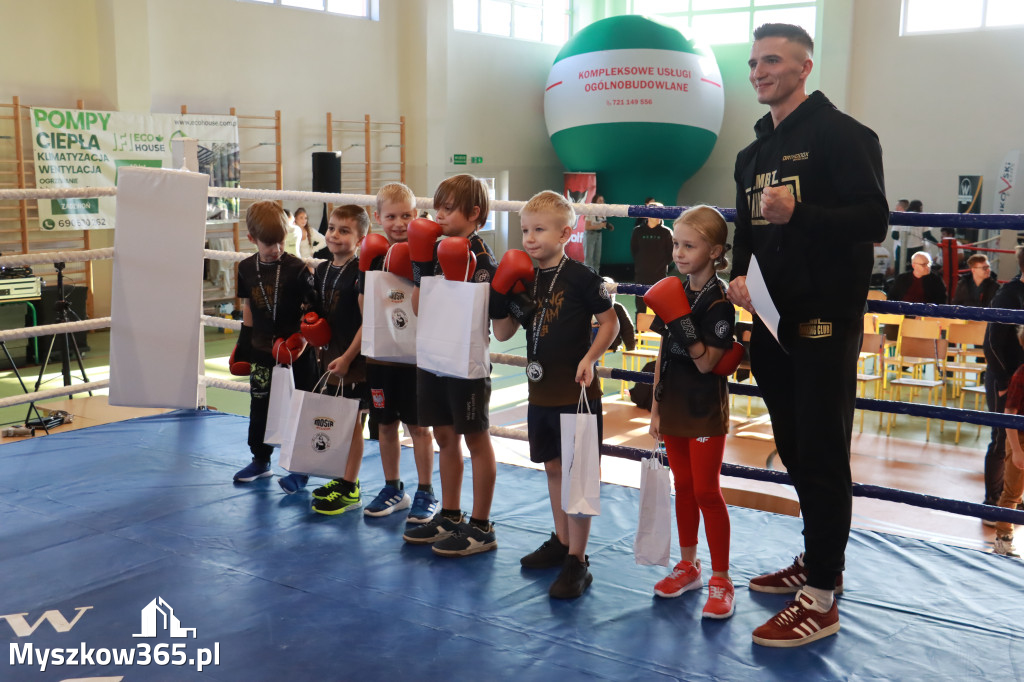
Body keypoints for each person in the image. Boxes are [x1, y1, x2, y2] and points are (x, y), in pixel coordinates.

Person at [727, 23, 888, 647]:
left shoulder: (844, 136)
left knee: (821, 455)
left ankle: (821, 595)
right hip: (771, 321)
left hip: (825, 321)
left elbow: (874, 218)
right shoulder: (752, 153)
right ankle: (818, 561)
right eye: (753, 62)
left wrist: (802, 214)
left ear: (805, 66)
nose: (759, 71)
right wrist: (739, 276)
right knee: (794, 449)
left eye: (772, 60)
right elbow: (746, 232)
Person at [491, 190, 618, 598]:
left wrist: (592, 357)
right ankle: (562, 543)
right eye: (525, 229)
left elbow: (611, 324)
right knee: (553, 469)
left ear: (565, 232)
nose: (529, 238)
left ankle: (578, 561)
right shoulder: (524, 278)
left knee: (578, 477)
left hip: (576, 392)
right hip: (540, 392)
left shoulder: (582, 277)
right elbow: (503, 333)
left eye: (539, 230)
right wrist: (500, 295)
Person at [646, 205, 737, 619]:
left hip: (704, 409)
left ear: (715, 251)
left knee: (706, 491)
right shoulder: (676, 288)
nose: (679, 253)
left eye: (689, 245)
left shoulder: (720, 304)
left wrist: (681, 319)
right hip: (675, 403)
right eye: (676, 244)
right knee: (682, 487)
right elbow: (665, 351)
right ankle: (689, 564)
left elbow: (705, 362)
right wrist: (655, 406)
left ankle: (721, 578)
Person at [402, 174, 499, 556]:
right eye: (437, 206)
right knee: (444, 436)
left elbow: (489, 318)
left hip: (466, 362)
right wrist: (421, 267)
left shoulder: (482, 258)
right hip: (432, 357)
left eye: (448, 208)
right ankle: (452, 513)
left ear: (473, 213)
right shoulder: (433, 249)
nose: (438, 215)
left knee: (476, 439)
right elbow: (417, 308)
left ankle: (482, 524)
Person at [279, 205, 371, 514]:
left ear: (361, 237)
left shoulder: (361, 272)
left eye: (344, 230)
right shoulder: (321, 269)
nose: (334, 234)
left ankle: (350, 486)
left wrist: (347, 358)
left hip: (353, 362)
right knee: (334, 418)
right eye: (331, 228)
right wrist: (307, 323)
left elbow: (367, 322)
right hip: (327, 358)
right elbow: (314, 309)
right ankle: (339, 477)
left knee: (353, 423)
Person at [357, 182, 438, 522]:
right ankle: (393, 487)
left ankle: (425, 491)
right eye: (391, 216)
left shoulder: (429, 253)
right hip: (381, 356)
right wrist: (365, 269)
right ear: (378, 218)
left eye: (406, 215)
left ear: (417, 214)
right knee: (385, 423)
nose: (399, 223)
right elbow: (364, 306)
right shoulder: (373, 253)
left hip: (419, 357)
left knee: (419, 427)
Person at [231, 201, 318, 483]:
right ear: (252, 239)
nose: (277, 249)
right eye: (269, 244)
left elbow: (314, 311)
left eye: (280, 242)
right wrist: (244, 344)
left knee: (299, 405)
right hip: (262, 349)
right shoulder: (245, 268)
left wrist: (303, 337)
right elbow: (248, 307)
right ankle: (260, 459)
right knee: (260, 404)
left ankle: (301, 467)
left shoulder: (298, 269)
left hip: (296, 350)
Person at [983, 246, 1024, 512]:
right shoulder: (1008, 295)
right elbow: (991, 344)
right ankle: (992, 500)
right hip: (1007, 378)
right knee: (1001, 439)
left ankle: (1015, 497)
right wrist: (1004, 382)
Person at [994, 326, 1024, 558]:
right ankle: (1003, 538)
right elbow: (1010, 414)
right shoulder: (1021, 374)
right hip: (1020, 438)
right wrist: (1016, 450)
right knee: (1012, 491)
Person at [630, 201, 673, 316]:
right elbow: (634, 250)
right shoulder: (638, 231)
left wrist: (660, 266)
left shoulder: (666, 232)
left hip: (659, 275)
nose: (660, 215)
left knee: (659, 304)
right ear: (648, 214)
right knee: (641, 305)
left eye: (661, 213)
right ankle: (640, 331)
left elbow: (671, 254)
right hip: (641, 274)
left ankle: (660, 332)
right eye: (657, 212)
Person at [583, 194, 611, 273]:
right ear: (595, 202)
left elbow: (603, 224)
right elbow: (587, 227)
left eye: (603, 201)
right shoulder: (590, 211)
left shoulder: (603, 212)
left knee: (597, 259)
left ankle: (596, 279)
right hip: (590, 235)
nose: (602, 202)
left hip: (599, 235)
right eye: (600, 201)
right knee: (589, 260)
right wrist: (600, 225)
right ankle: (587, 279)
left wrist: (607, 226)